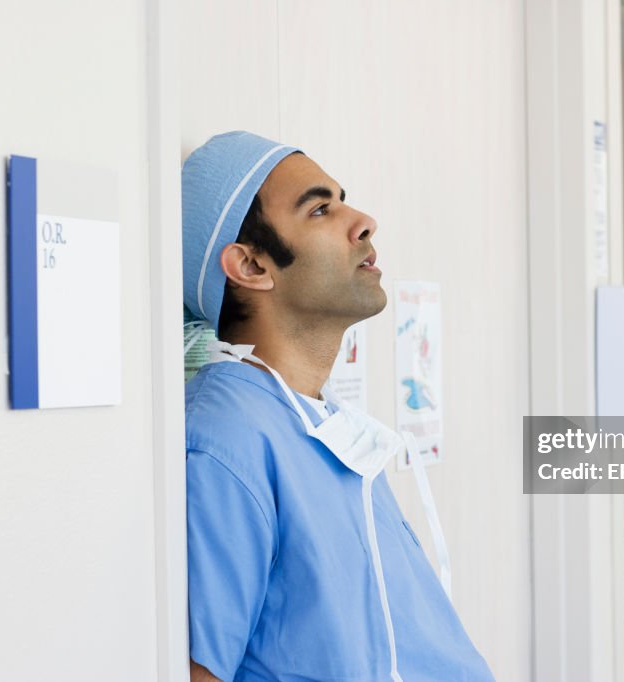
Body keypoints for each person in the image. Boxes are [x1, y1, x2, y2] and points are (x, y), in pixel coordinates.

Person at [182, 132, 495, 682]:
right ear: (251, 266)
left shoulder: (330, 431)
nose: (364, 221)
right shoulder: (224, 441)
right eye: (320, 208)